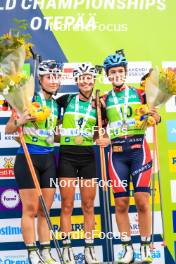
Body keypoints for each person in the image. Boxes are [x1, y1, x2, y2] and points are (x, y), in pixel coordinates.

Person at [100, 50, 161, 263]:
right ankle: (127, 249)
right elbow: (99, 130)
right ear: (108, 76)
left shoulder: (141, 94)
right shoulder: (103, 100)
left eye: (120, 71)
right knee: (121, 204)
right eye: (113, 72)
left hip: (139, 151)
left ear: (126, 73)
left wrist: (157, 116)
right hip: (117, 155)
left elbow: (156, 113)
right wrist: (102, 137)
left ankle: (145, 247)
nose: (117, 75)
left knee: (142, 201)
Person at [5, 60, 62, 264]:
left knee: (44, 210)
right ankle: (32, 252)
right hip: (28, 157)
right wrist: (22, 120)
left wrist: (72, 136)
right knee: (29, 209)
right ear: (40, 79)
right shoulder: (27, 99)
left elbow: (55, 135)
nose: (53, 81)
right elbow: (9, 129)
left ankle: (46, 252)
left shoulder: (56, 105)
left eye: (56, 77)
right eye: (49, 77)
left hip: (48, 158)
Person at [56, 63, 109, 264]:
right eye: (82, 78)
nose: (86, 81)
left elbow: (103, 130)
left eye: (89, 78)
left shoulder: (99, 105)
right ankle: (67, 248)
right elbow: (48, 113)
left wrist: (104, 138)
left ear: (94, 80)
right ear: (76, 81)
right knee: (67, 204)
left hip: (87, 157)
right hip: (67, 157)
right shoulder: (65, 100)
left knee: (88, 205)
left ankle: (89, 249)